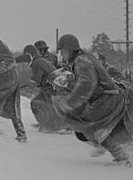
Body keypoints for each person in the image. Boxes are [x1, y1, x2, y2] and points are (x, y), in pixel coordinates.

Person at [52, 34, 133, 166]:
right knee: (91, 127)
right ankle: (114, 150)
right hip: (106, 98)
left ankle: (120, 155)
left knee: (89, 126)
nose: (62, 54)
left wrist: (69, 103)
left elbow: (86, 84)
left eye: (62, 51)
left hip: (107, 98)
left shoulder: (82, 62)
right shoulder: (82, 60)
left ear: (70, 50)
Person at [22, 45, 69, 133]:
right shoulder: (40, 60)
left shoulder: (37, 62)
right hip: (53, 86)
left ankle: (55, 126)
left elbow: (36, 79)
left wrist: (30, 82)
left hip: (51, 87)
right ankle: (48, 124)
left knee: (38, 103)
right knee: (45, 104)